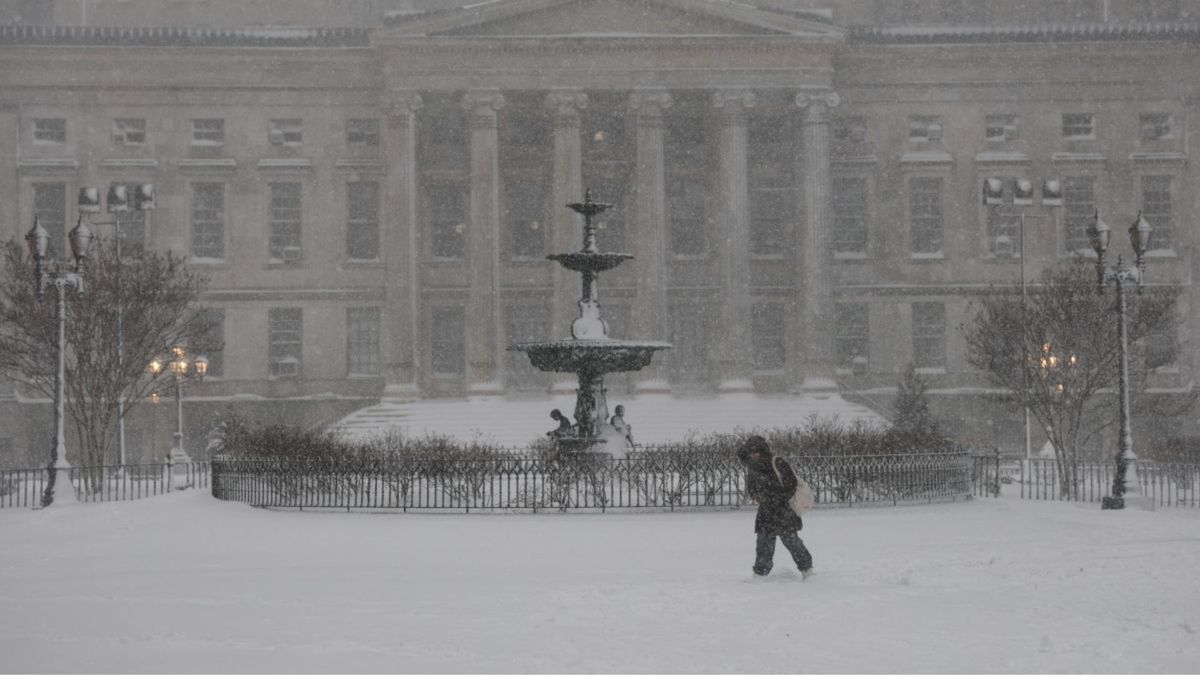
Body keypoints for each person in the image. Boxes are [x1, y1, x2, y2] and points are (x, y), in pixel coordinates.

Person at [737, 435, 814, 579]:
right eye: (751, 452)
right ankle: (760, 573)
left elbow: (791, 485)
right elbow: (751, 487)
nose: (754, 455)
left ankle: (807, 569)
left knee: (791, 541)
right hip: (766, 511)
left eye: (756, 451)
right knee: (763, 543)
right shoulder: (753, 467)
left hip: (784, 511)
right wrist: (756, 495)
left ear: (763, 451)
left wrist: (774, 496)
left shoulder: (777, 462)